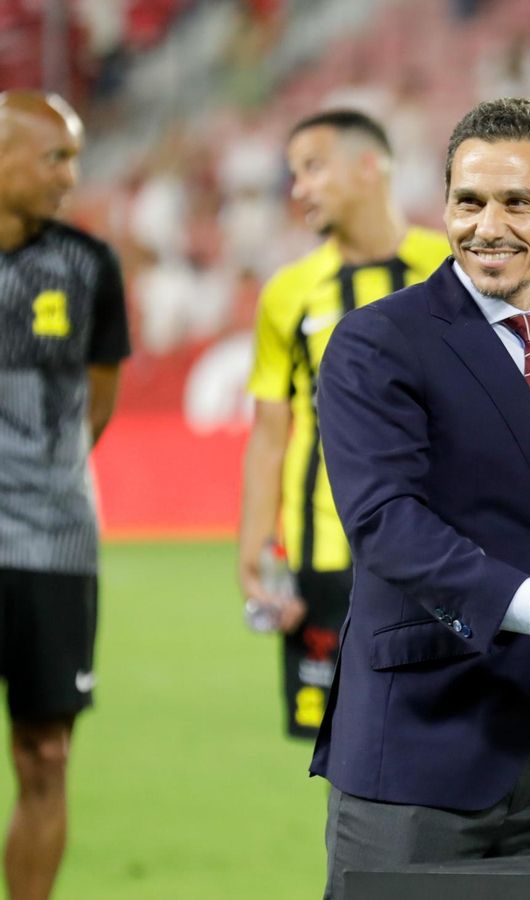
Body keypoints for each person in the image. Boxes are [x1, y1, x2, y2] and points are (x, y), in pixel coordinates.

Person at [311, 98, 530, 898]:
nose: (486, 225)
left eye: (517, 202)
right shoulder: (376, 340)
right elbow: (385, 523)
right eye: (469, 202)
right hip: (420, 750)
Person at [238, 109, 451, 739]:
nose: (297, 187)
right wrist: (256, 546)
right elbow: (271, 433)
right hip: (325, 556)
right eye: (293, 172)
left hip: (443, 554)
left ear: (370, 166)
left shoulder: (451, 268)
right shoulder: (288, 293)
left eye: (313, 167)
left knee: (442, 737)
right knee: (343, 749)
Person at [0, 90, 130, 900]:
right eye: (55, 157)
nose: (70, 176)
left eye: (75, 156)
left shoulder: (89, 266)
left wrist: (42, 474)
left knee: (46, 754)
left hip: (53, 544)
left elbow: (101, 393)